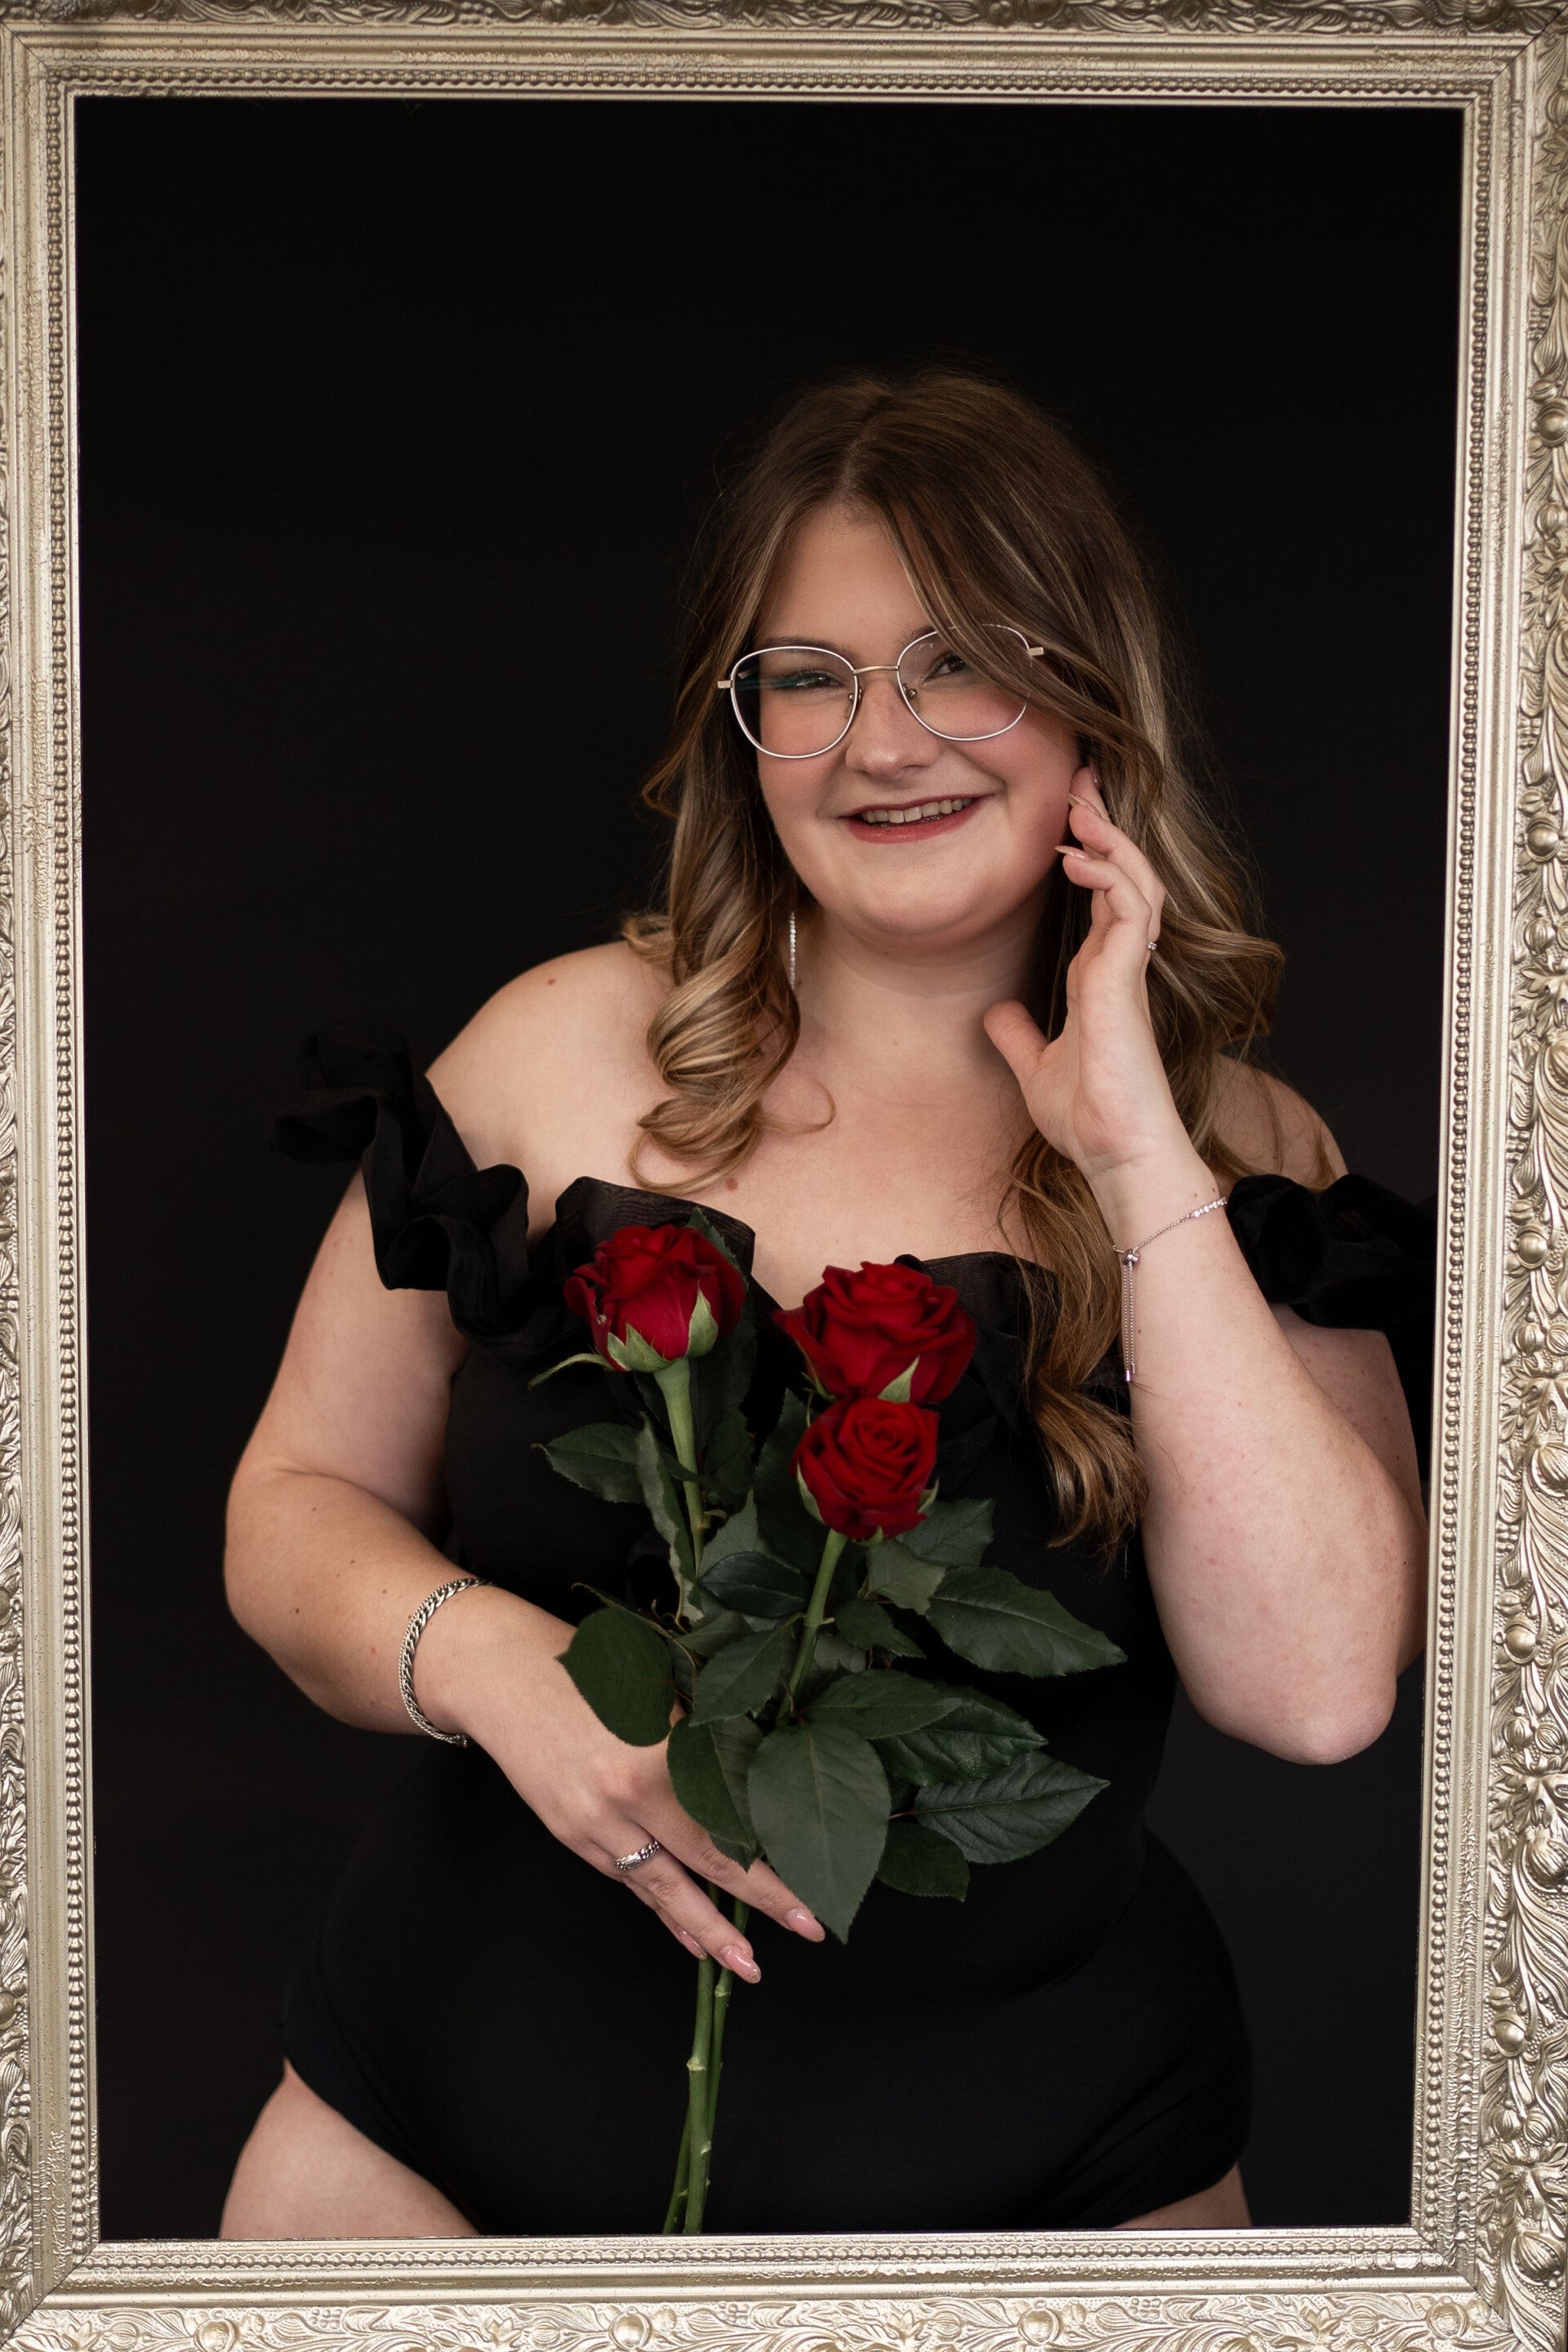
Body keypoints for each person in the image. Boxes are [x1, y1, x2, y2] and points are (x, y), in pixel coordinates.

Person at [219, 371, 1432, 2239]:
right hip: (431, 2164)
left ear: (1092, 695)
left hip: (1061, 2207)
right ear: (745, 729)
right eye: (809, 677)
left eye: (959, 663)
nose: (883, 742)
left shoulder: (1246, 1158)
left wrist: (1137, 1156)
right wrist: (498, 1667)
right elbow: (291, 1508)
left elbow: (1319, 1692)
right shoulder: (552, 1053)